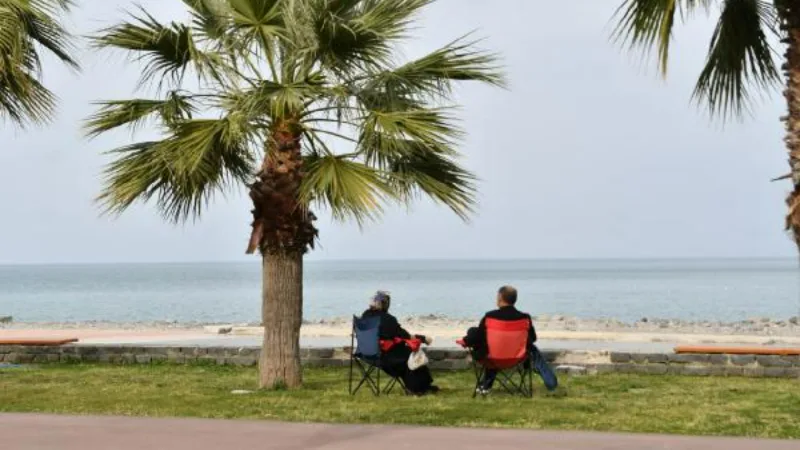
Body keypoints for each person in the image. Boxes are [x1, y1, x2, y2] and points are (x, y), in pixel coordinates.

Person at [462, 285, 537, 395]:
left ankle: (485, 384)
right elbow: (533, 338)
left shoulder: (490, 317)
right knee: (486, 340)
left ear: (500, 298)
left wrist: (466, 340)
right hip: (517, 358)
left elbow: (479, 337)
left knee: (475, 334)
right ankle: (485, 384)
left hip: (492, 358)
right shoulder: (525, 318)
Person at [361, 291, 438, 395]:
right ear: (385, 304)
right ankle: (417, 388)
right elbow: (404, 335)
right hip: (384, 357)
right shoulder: (387, 319)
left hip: (366, 354)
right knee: (413, 356)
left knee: (405, 354)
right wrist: (423, 338)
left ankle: (422, 386)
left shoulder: (365, 316)